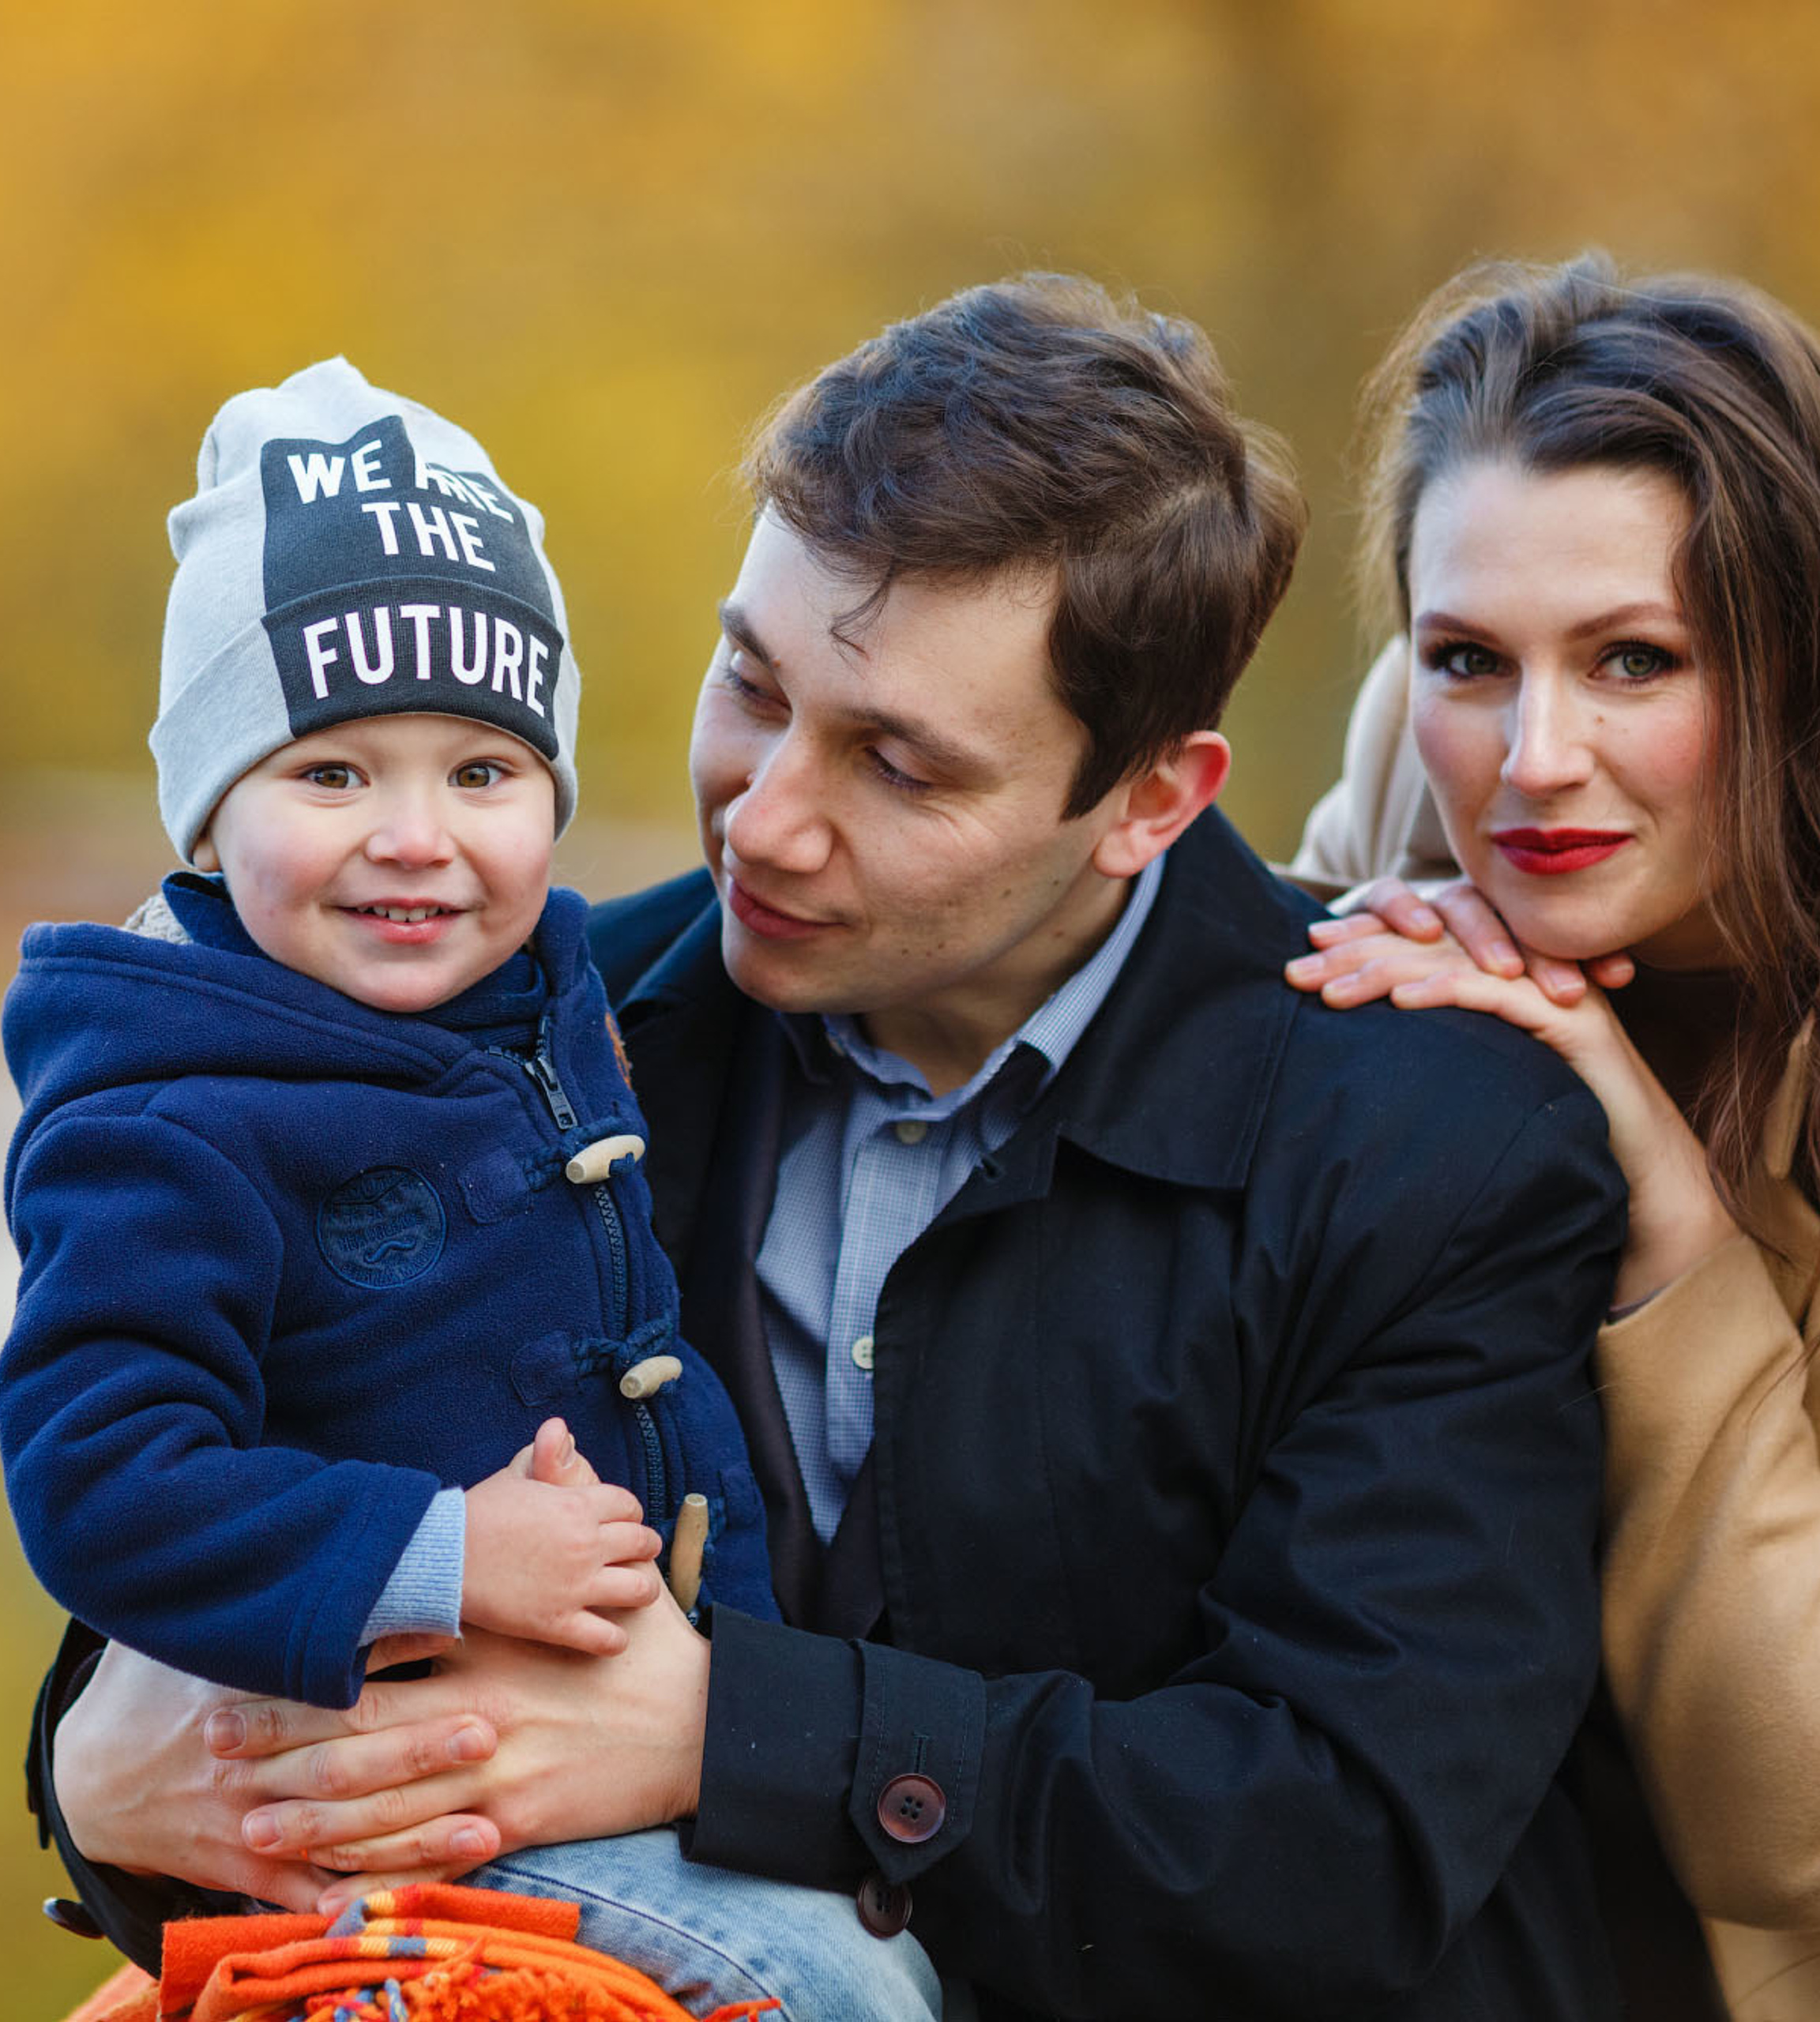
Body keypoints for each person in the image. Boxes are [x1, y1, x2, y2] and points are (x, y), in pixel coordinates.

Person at [35, 277, 1628, 2021]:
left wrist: (732, 1733)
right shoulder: (560, 1029)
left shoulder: (1431, 1148)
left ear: (1150, 800)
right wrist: (93, 1774)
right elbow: (228, 1492)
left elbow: (1342, 1846)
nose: (766, 816)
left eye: (898, 765)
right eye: (751, 682)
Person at [2, 358, 940, 2020]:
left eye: (483, 772)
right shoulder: (165, 1108)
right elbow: (100, 1477)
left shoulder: (542, 995)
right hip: (409, 1775)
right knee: (840, 1992)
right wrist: (441, 1550)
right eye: (333, 773)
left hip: (633, 1739)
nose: (418, 837)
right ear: (210, 820)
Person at [1286, 254, 1820, 2020]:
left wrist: (1664, 1214)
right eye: (1470, 653)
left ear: (1813, 664)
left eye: (1635, 659)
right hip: (1433, 1897)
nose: (1533, 757)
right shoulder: (1419, 769)